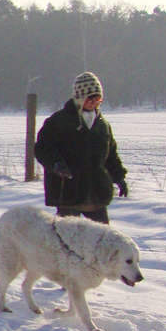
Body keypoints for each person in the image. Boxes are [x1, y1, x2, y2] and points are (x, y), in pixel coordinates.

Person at [34, 71, 127, 224]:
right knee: (66, 241)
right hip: (68, 191)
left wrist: (119, 177)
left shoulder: (103, 125)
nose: (94, 101)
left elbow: (110, 156)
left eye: (97, 97)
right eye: (90, 97)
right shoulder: (58, 121)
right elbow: (42, 148)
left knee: (101, 239)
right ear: (79, 97)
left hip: (96, 194)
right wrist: (56, 164)